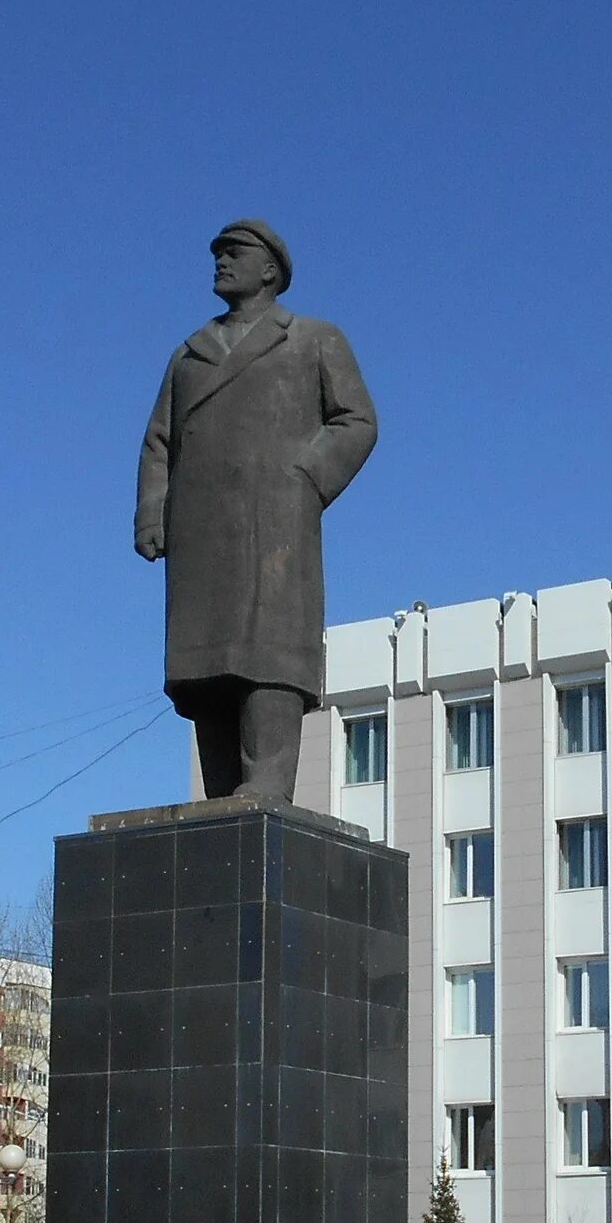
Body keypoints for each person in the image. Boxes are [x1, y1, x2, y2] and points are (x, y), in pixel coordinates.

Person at [134, 220, 380, 801]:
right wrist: (152, 512)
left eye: (234, 253)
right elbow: (158, 442)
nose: (221, 261)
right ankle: (221, 787)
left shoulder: (313, 337)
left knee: (266, 648)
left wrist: (304, 478)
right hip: (198, 525)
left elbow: (357, 420)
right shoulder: (189, 353)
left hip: (274, 523)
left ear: (270, 269)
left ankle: (267, 780)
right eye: (217, 253)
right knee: (207, 656)